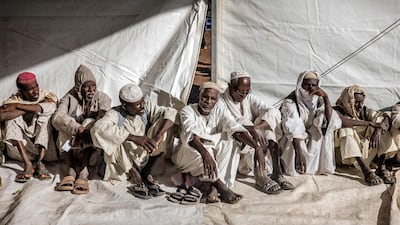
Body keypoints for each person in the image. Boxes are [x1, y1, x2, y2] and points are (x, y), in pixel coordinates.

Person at [172, 81, 270, 204]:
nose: (208, 101)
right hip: (190, 154)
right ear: (199, 95)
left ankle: (214, 187)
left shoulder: (219, 109)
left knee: (231, 141)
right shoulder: (188, 110)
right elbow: (191, 135)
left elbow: (234, 127)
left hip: (211, 152)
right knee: (199, 149)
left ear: (217, 100)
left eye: (213, 99)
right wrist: (206, 154)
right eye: (205, 97)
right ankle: (220, 185)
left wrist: (257, 147)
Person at [91, 83, 177, 199]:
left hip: (144, 155)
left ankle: (147, 171)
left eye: (142, 101)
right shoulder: (115, 114)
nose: (142, 106)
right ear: (125, 106)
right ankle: (133, 173)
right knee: (113, 135)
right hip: (124, 161)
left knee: (165, 123)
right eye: (138, 104)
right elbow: (98, 128)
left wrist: (158, 135)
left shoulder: (145, 109)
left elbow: (171, 112)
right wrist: (133, 138)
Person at [220, 71, 294, 191]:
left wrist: (257, 128)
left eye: (247, 91)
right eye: (240, 91)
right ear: (230, 86)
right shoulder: (221, 101)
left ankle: (277, 172)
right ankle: (261, 176)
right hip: (236, 142)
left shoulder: (248, 97)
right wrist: (250, 128)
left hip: (255, 137)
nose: (244, 95)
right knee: (245, 123)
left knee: (268, 124)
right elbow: (229, 123)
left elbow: (273, 111)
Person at [52, 65, 111, 194]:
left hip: (90, 147)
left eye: (93, 85)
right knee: (64, 131)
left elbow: (104, 117)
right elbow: (57, 118)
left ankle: (84, 171)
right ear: (79, 87)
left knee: (90, 123)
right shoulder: (68, 98)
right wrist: (78, 129)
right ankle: (71, 169)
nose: (91, 89)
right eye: (86, 86)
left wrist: (84, 130)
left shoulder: (102, 98)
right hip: (70, 146)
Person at [280, 71, 341, 176]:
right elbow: (294, 127)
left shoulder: (318, 100)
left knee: (324, 128)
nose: (310, 88)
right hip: (294, 138)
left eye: (314, 85)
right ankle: (297, 165)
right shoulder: (290, 101)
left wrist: (326, 97)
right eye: (307, 84)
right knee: (295, 136)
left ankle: (319, 167)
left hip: (310, 134)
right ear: (300, 84)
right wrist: (299, 153)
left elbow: (330, 120)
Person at [0, 72, 57, 182]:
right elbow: (2, 115)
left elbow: (51, 107)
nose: (35, 91)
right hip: (20, 152)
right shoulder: (13, 99)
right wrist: (35, 107)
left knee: (45, 116)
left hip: (46, 151)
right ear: (21, 92)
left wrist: (17, 106)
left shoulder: (46, 95)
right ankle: (28, 164)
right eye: (30, 89)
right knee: (11, 119)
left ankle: (40, 162)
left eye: (36, 86)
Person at [334, 85, 396, 185]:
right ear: (348, 101)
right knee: (346, 131)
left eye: (361, 102)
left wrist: (379, 129)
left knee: (381, 123)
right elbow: (342, 121)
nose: (359, 105)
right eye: (356, 102)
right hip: (344, 156)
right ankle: (366, 172)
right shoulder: (337, 110)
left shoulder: (363, 110)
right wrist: (369, 123)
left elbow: (385, 118)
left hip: (364, 152)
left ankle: (381, 167)